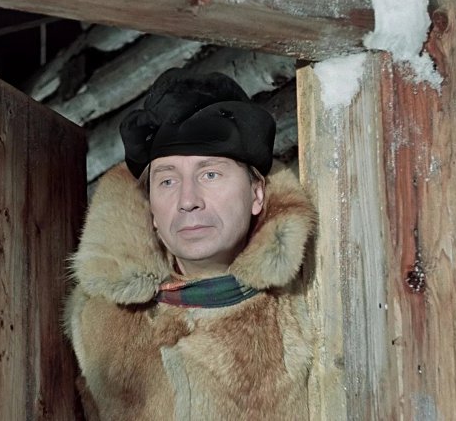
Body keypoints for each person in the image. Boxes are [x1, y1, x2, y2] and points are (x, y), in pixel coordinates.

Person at [64, 68, 316, 420]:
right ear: (151, 209)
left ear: (256, 193)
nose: (187, 200)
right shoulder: (99, 323)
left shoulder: (313, 297)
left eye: (210, 174)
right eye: (167, 181)